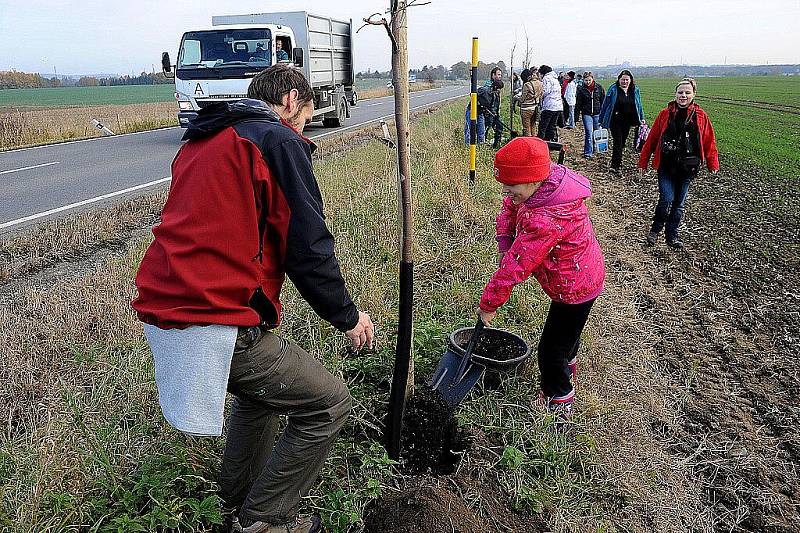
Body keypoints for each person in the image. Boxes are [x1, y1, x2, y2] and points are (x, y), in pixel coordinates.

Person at [132, 64, 375, 533]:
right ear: (290, 100)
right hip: (213, 314)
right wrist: (347, 317)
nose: (304, 124)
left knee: (259, 397)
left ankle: (236, 500)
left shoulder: (206, 139)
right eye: (306, 113)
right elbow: (308, 245)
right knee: (329, 402)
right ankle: (266, 520)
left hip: (168, 306)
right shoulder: (276, 141)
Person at [478, 137, 606, 420]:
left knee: (550, 352)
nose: (506, 191)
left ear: (532, 179)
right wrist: (504, 240)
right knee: (566, 340)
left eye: (511, 187)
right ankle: (567, 373)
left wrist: (489, 304)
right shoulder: (543, 186)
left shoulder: (546, 218)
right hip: (580, 279)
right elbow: (509, 208)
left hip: (575, 287)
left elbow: (515, 267)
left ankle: (558, 401)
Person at [638, 78, 719, 248]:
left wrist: (713, 163)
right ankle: (655, 230)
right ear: (675, 94)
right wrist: (643, 162)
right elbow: (651, 140)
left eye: (687, 92)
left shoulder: (701, 116)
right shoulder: (664, 114)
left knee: (679, 204)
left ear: (693, 94)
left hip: (687, 168)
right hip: (666, 166)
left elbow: (709, 141)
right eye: (680, 92)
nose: (683, 95)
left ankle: (672, 236)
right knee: (666, 199)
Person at [599, 69, 645, 174]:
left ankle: (617, 160)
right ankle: (615, 166)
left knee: (622, 142)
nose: (624, 82)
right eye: (622, 79)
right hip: (615, 121)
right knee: (618, 142)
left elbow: (639, 104)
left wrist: (641, 117)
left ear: (631, 80)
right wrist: (601, 119)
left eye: (627, 80)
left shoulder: (634, 90)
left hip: (627, 121)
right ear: (619, 79)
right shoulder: (613, 89)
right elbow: (605, 104)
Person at [575, 71, 606, 158]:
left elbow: (603, 101)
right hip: (586, 114)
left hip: (597, 113)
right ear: (583, 80)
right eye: (586, 80)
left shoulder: (599, 88)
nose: (588, 82)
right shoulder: (581, 90)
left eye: (589, 80)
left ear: (592, 79)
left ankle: (596, 149)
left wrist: (603, 114)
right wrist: (576, 116)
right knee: (589, 132)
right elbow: (578, 104)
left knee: (596, 133)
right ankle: (588, 152)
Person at [537, 65, 563, 142]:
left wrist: (539, 96)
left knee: (543, 126)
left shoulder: (546, 78)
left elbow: (546, 91)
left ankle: (540, 143)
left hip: (549, 106)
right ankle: (552, 141)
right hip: (558, 106)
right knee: (552, 125)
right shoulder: (555, 78)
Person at [518, 68, 543, 137]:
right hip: (535, 108)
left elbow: (522, 98)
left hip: (526, 109)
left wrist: (516, 98)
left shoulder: (527, 85)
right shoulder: (540, 83)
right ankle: (534, 142)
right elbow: (541, 95)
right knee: (533, 126)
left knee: (526, 128)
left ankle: (528, 143)